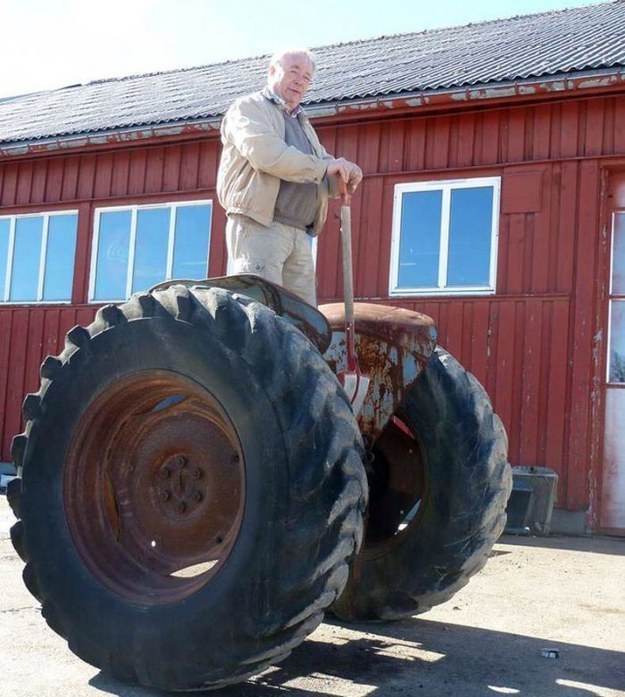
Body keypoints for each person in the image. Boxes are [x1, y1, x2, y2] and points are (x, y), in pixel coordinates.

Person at [216, 48, 363, 306]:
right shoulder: (248, 109)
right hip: (260, 226)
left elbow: (319, 171)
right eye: (293, 71)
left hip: (299, 234)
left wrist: (345, 176)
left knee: (304, 322)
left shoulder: (302, 123)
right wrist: (324, 167)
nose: (300, 80)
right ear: (273, 71)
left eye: (307, 77)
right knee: (261, 316)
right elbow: (268, 155)